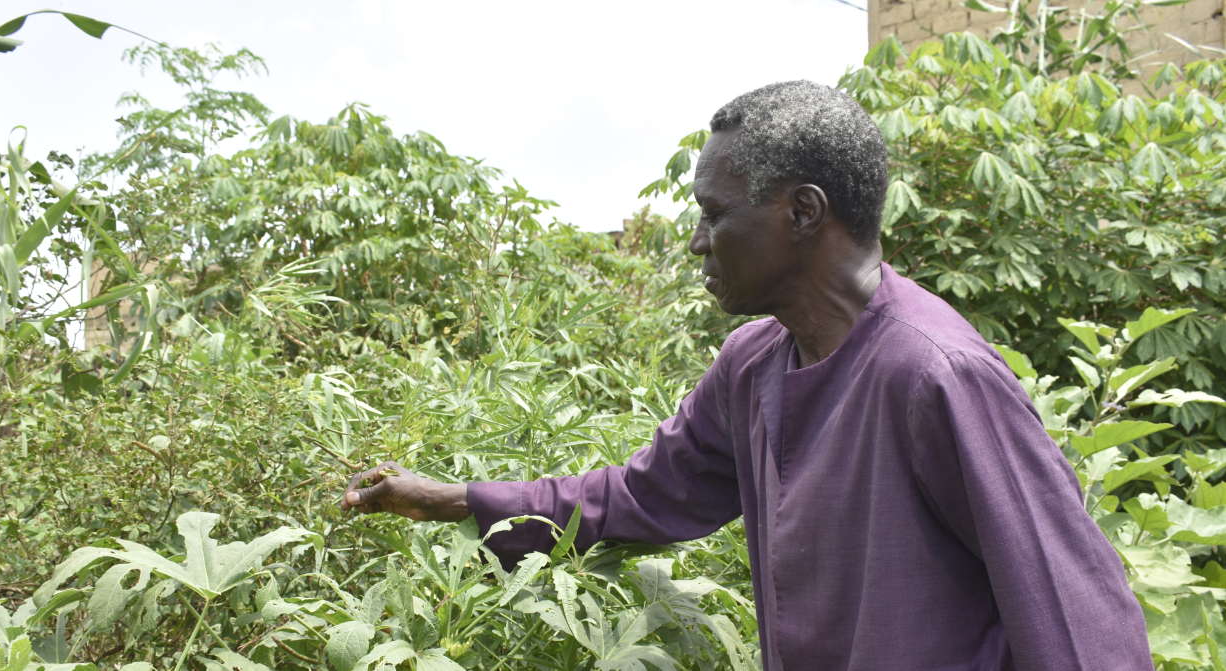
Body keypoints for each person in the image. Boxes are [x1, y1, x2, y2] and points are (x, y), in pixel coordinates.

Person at [341, 80, 1153, 670]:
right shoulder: (754, 363)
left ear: (802, 213)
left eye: (714, 213)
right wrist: (444, 498)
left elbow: (1077, 621)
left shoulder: (935, 374)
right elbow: (640, 496)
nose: (697, 242)